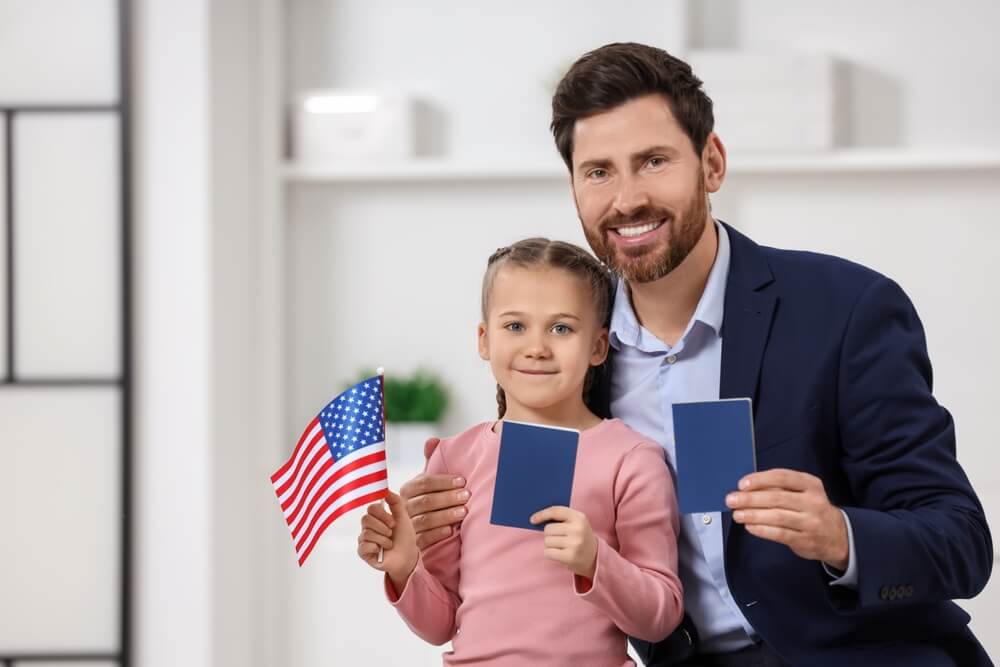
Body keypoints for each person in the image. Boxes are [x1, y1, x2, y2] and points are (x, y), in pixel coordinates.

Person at [399, 43, 993, 666]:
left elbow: (961, 542)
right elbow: (523, 583)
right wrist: (432, 534)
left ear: (712, 163)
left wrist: (838, 536)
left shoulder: (846, 309)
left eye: (653, 161)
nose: (626, 199)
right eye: (598, 171)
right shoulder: (573, 361)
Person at [356, 238, 684, 665]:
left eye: (561, 328)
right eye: (515, 327)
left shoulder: (631, 459)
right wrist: (404, 566)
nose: (537, 347)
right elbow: (440, 625)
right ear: (484, 338)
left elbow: (660, 616)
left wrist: (595, 561)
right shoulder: (454, 459)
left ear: (598, 347)